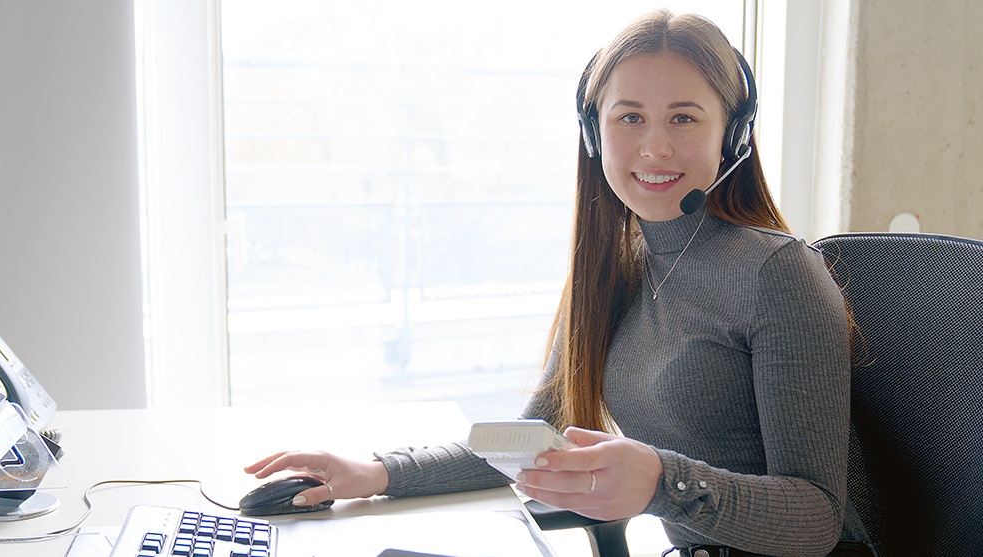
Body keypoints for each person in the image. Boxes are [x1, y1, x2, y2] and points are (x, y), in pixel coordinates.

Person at [245, 10, 872, 557]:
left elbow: (817, 518)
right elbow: (530, 441)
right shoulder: (619, 265)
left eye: (684, 118)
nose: (654, 147)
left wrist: (662, 484)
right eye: (630, 117)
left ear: (730, 132)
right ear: (595, 135)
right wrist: (376, 473)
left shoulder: (778, 274)